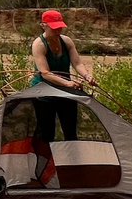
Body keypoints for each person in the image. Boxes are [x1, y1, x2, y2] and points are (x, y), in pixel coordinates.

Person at [30, 9, 91, 142]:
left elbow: (77, 63)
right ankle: (48, 161)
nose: (58, 31)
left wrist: (87, 76)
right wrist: (68, 83)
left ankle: (72, 159)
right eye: (54, 28)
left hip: (65, 92)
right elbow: (45, 73)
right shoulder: (39, 45)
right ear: (43, 25)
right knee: (47, 134)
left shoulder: (67, 41)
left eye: (60, 28)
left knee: (70, 131)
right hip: (44, 94)